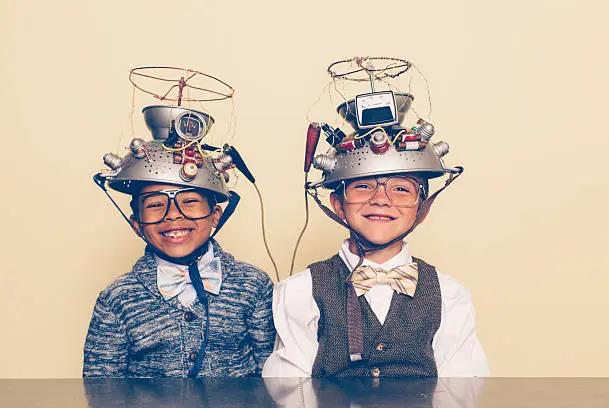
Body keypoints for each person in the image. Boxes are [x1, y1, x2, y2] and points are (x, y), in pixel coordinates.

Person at [263, 91, 489, 378]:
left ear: (423, 209)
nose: (381, 199)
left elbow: (462, 389)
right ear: (338, 205)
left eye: (401, 188)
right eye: (363, 187)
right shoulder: (299, 291)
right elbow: (290, 389)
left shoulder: (450, 295)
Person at [83, 105, 275, 377]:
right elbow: (101, 389)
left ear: (215, 216)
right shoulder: (117, 298)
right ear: (136, 224)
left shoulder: (253, 285)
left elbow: (274, 377)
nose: (173, 215)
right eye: (155, 204)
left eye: (190, 202)